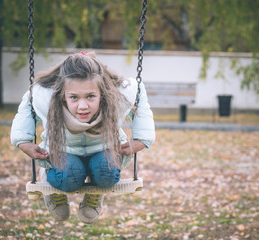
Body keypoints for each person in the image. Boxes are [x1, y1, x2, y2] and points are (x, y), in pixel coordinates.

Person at [10, 51, 155, 223]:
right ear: (63, 95)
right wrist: (23, 142)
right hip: (63, 151)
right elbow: (25, 112)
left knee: (106, 173)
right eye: (74, 97)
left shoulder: (118, 96)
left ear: (103, 92)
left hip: (103, 148)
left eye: (91, 96)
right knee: (69, 176)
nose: (83, 106)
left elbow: (140, 96)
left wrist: (141, 139)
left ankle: (95, 194)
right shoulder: (45, 97)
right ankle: (54, 186)